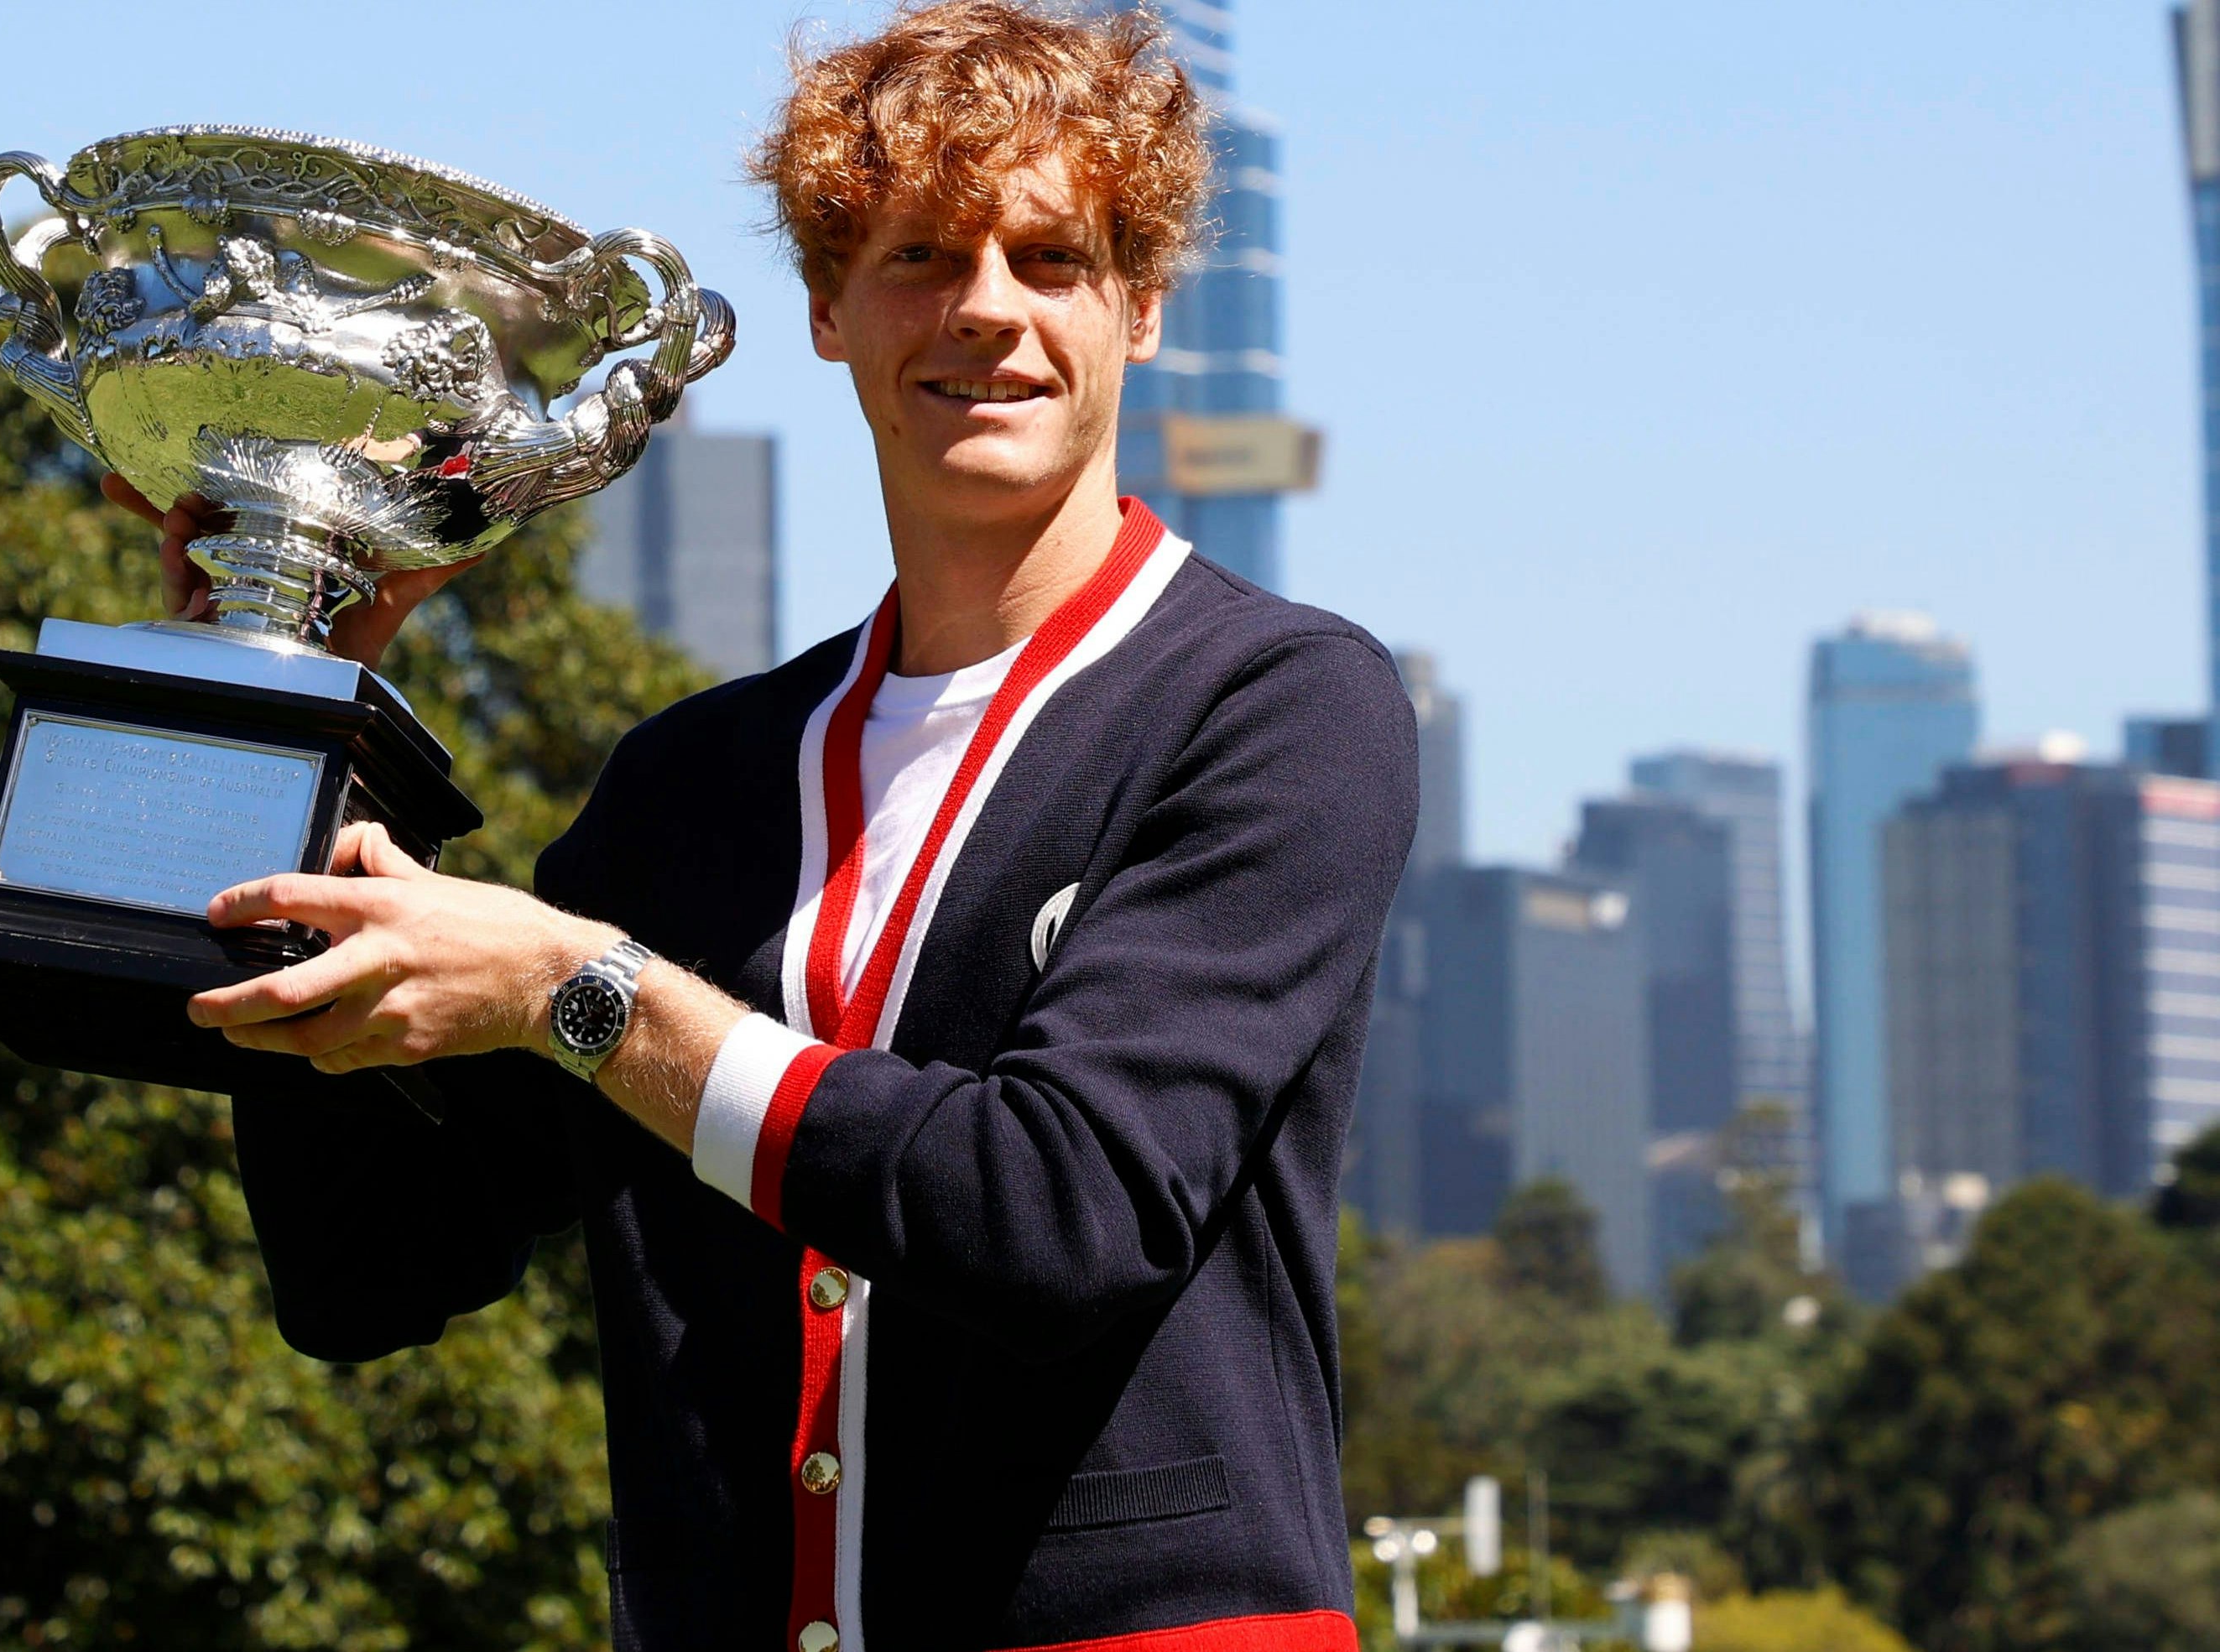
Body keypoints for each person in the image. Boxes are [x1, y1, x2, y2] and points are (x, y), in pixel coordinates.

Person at [109, 5, 1415, 1646]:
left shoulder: (1279, 705)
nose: (986, 311)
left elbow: (1058, 1212)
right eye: (921, 254)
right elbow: (368, 1267)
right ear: (827, 305)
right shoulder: (692, 783)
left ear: (1142, 305)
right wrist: (299, 715)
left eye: (1051, 258)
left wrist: (587, 992)